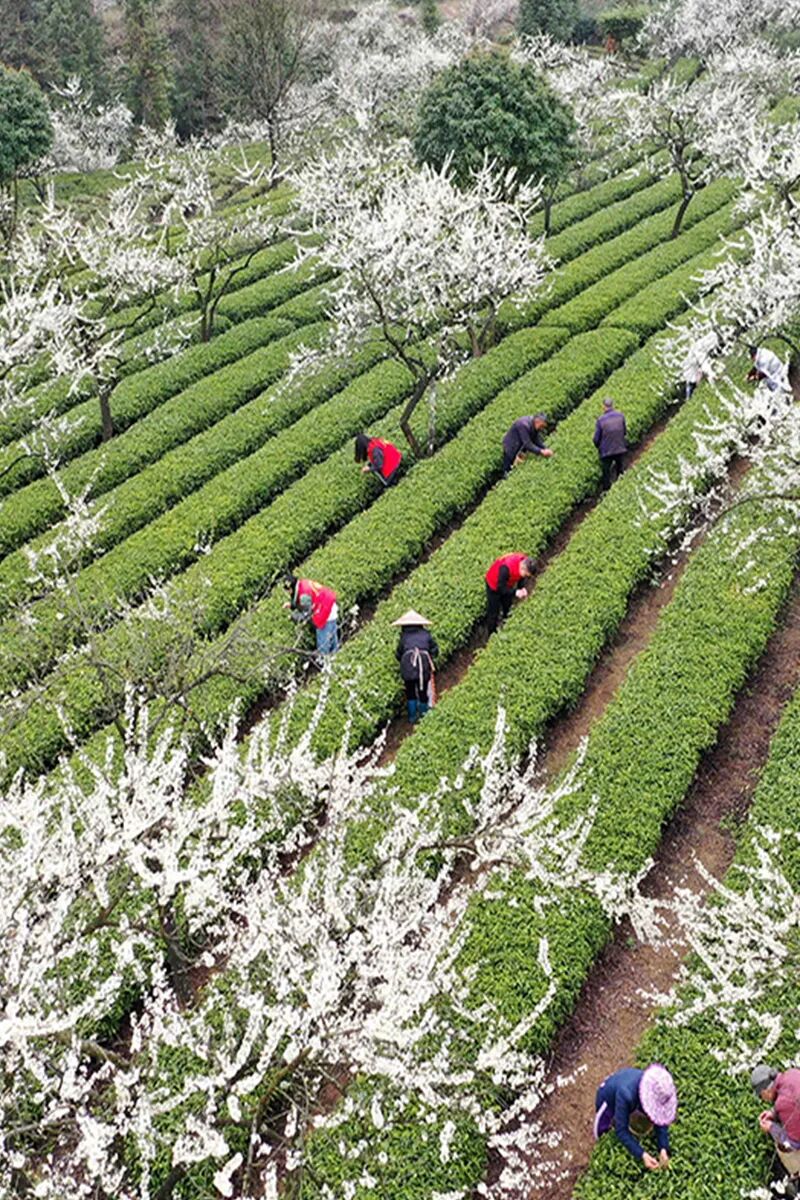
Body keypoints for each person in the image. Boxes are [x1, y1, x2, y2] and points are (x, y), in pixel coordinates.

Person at [593, 1064, 678, 1171]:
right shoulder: (626, 1094)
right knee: (602, 1129)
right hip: (607, 1098)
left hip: (626, 1084)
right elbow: (621, 1130)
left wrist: (663, 1148)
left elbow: (660, 1118)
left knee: (624, 1114)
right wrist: (642, 1154)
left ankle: (622, 1115)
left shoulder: (656, 1088)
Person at [751, 1064, 800, 1193]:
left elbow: (793, 1143)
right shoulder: (793, 1073)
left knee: (783, 1147)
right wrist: (773, 1113)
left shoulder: (782, 1104)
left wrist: (772, 1128)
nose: (763, 1099)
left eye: (761, 1096)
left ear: (765, 1091)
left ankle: (796, 1176)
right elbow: (791, 1097)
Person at [393, 609, 438, 724]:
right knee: (422, 690)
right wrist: (430, 658)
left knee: (410, 691)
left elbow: (398, 654)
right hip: (423, 664)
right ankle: (424, 716)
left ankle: (412, 717)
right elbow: (435, 649)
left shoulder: (404, 637)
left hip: (407, 665)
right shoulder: (426, 634)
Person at [283, 574, 339, 655]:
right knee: (332, 636)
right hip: (329, 603)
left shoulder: (304, 595)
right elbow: (305, 602)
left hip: (325, 610)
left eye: (288, 591)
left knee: (323, 642)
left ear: (291, 588)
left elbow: (306, 614)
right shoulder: (303, 584)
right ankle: (335, 655)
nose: (288, 593)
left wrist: (293, 617)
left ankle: (325, 660)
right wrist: (292, 605)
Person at [485, 553, 534, 634]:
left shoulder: (525, 561)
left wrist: (521, 588)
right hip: (494, 585)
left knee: (507, 604)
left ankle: (506, 622)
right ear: (523, 568)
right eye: (525, 575)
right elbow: (501, 588)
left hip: (507, 583)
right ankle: (491, 632)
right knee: (493, 611)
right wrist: (515, 592)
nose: (525, 577)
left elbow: (521, 578)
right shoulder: (505, 568)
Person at [502, 413, 553, 477]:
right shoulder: (524, 425)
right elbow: (527, 444)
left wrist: (545, 448)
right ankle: (505, 477)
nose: (542, 428)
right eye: (542, 426)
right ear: (538, 421)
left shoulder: (534, 425)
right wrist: (541, 452)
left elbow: (536, 439)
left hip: (520, 445)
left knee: (518, 464)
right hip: (511, 445)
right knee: (508, 466)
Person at [593, 397, 627, 491]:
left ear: (604, 407)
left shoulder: (601, 420)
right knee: (620, 468)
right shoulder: (620, 416)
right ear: (612, 405)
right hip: (620, 447)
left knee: (606, 472)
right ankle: (622, 487)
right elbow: (624, 432)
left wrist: (598, 447)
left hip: (606, 451)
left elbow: (596, 439)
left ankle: (607, 490)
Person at [681, 330, 718, 399]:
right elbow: (704, 363)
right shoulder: (700, 350)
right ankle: (689, 398)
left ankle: (689, 397)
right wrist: (711, 374)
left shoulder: (700, 345)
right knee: (692, 383)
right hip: (692, 370)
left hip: (692, 368)